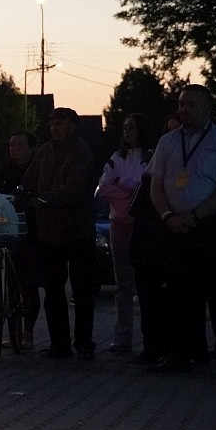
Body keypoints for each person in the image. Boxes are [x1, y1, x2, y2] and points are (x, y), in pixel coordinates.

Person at [145, 84, 216, 375]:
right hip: (174, 225)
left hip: (210, 225)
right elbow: (155, 185)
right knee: (178, 292)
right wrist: (168, 216)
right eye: (181, 105)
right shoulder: (168, 142)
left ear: (208, 108)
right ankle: (180, 352)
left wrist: (196, 214)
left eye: (192, 105)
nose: (185, 110)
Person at [20, 107, 98, 359]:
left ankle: (84, 344)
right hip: (49, 233)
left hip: (77, 232)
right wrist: (21, 193)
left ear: (72, 126)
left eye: (60, 124)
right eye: (52, 123)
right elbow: (29, 179)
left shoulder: (81, 151)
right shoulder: (43, 151)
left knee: (82, 292)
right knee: (53, 293)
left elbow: (74, 189)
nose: (55, 128)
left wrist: (44, 200)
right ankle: (59, 344)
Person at [95, 114, 154, 354]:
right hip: (119, 224)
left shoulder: (151, 156)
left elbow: (150, 186)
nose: (127, 132)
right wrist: (129, 195)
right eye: (125, 128)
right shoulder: (116, 158)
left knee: (147, 282)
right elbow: (103, 188)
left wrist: (123, 187)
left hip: (144, 225)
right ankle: (123, 336)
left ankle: (151, 337)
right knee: (123, 283)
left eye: (132, 127)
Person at [0, 130, 40, 348]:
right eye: (11, 145)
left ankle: (27, 332)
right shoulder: (3, 171)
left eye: (19, 145)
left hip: (30, 231)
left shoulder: (37, 170)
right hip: (6, 230)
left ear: (30, 148)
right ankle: (11, 328)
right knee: (10, 280)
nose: (14, 149)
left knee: (29, 283)